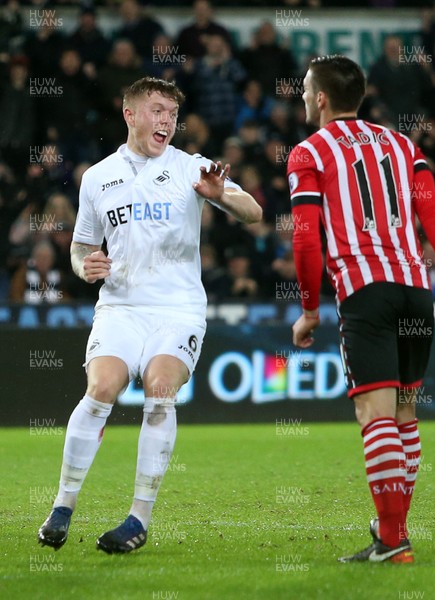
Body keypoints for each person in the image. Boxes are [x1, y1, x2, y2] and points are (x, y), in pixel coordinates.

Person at [37, 76, 262, 554]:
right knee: (101, 389)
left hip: (177, 309)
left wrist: (221, 195)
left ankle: (138, 518)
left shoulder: (192, 168)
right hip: (120, 306)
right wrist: (84, 265)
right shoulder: (97, 177)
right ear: (131, 114)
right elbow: (80, 249)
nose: (167, 121)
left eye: (173, 114)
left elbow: (255, 212)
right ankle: (62, 506)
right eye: (158, 110)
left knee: (160, 389)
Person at [287, 55, 435, 563]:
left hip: (366, 291)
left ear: (321, 97)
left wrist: (308, 309)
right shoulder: (401, 144)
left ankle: (393, 541)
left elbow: (306, 239)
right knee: (405, 413)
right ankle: (393, 533)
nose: (303, 95)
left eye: (306, 89)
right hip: (416, 288)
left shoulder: (309, 152)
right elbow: (431, 211)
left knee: (375, 416)